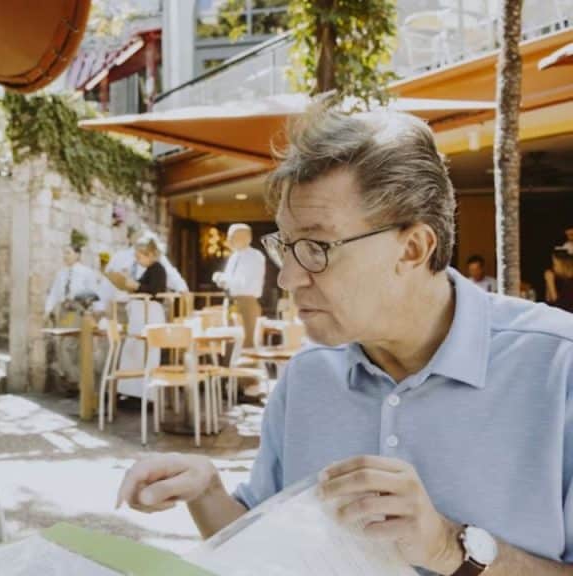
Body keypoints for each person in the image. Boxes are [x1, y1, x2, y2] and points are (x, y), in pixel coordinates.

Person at [116, 107, 573, 575]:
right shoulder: (309, 374)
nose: (290, 278)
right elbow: (264, 554)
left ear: (413, 248)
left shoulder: (559, 367)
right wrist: (207, 492)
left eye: (317, 248)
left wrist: (450, 549)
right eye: (286, 246)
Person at [213, 223, 266, 347]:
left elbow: (244, 283)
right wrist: (222, 279)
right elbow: (231, 280)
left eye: (232, 237)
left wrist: (222, 278)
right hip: (231, 301)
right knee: (229, 341)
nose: (229, 240)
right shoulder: (233, 257)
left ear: (246, 238)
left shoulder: (254, 256)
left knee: (246, 342)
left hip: (246, 302)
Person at [105, 227, 189, 293]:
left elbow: (170, 275)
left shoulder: (157, 261)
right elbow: (108, 277)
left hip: (145, 305)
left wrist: (182, 289)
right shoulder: (120, 256)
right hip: (120, 302)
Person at [545, 247, 573, 313]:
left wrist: (550, 284)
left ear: (564, 265)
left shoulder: (570, 284)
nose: (553, 268)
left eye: (555, 264)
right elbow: (548, 304)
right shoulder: (563, 281)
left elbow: (560, 310)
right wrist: (548, 285)